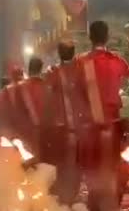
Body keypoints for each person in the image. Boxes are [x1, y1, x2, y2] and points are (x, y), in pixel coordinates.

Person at [76, 20, 129, 211]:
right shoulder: (116, 61)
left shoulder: (79, 63)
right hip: (113, 129)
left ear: (89, 37)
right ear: (107, 37)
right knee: (113, 175)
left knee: (92, 180)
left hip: (89, 131)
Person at [44, 40, 82, 204]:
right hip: (82, 127)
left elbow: (47, 100)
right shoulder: (82, 70)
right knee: (77, 164)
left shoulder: (53, 73)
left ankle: (65, 200)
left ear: (59, 54)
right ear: (74, 52)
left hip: (61, 128)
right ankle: (73, 197)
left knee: (63, 165)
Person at [16, 57, 47, 156]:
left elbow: (17, 111)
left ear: (29, 69)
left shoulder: (20, 88)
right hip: (46, 134)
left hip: (27, 135)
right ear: (41, 69)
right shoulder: (47, 85)